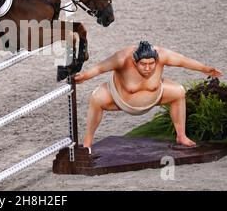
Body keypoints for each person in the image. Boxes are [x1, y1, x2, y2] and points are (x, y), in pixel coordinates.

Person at [74, 41, 223, 153]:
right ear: (134, 62)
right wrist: (85, 76)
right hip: (120, 100)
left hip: (155, 98)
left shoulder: (162, 54)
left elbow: (183, 61)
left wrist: (205, 69)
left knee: (178, 92)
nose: (148, 68)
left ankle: (181, 136)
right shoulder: (122, 58)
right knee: (96, 98)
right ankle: (88, 141)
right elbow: (100, 67)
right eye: (143, 64)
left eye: (151, 64)